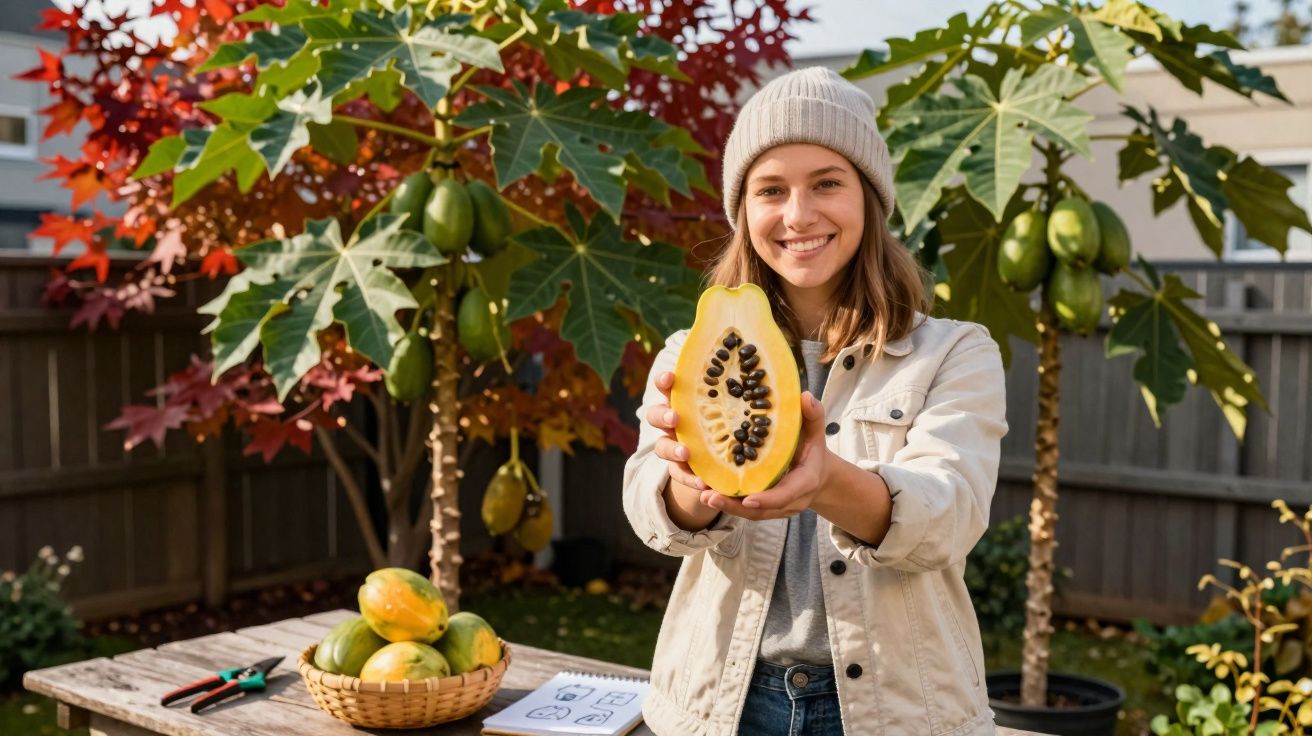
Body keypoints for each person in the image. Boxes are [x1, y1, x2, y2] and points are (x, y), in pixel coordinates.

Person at [621, 66, 1008, 736]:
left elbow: (950, 514)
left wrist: (826, 480)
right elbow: (648, 505)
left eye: (827, 183)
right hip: (722, 706)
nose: (798, 215)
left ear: (870, 199)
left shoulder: (955, 352)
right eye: (771, 190)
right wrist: (687, 477)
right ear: (744, 211)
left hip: (896, 712)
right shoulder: (688, 351)